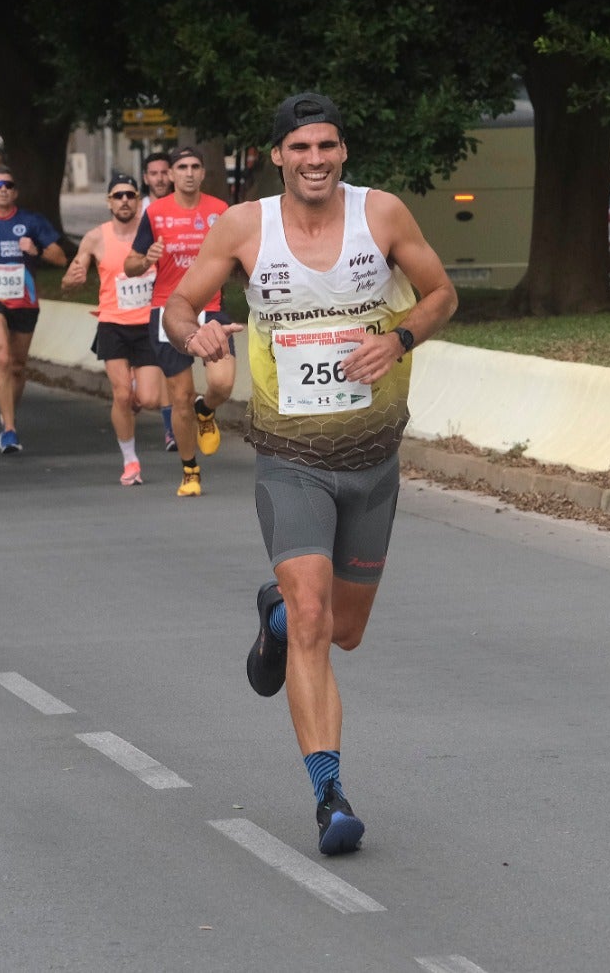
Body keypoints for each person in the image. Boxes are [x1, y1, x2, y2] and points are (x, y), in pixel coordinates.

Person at [164, 92, 457, 855]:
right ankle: (329, 795)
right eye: (301, 148)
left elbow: (441, 294)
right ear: (278, 157)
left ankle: (276, 618)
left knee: (344, 630)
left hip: (373, 458)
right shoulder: (245, 227)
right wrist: (194, 334)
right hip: (290, 459)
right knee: (318, 617)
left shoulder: (383, 215)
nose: (316, 159)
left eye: (327, 146)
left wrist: (397, 340)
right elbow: (179, 304)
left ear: (343, 151)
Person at [125, 146, 232, 497]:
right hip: (167, 309)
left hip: (211, 306)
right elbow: (131, 264)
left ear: (203, 173)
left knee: (222, 383)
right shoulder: (155, 213)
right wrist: (145, 261)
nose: (188, 172)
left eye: (195, 166)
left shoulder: (221, 211)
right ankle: (190, 470)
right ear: (170, 174)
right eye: (181, 167)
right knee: (181, 394)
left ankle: (208, 409)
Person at [0, 165, 69, 453]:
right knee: (2, 356)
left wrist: (36, 250)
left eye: (8, 184)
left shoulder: (32, 221)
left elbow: (61, 258)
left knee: (17, 366)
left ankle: (8, 414)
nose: (3, 189)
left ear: (15, 191)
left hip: (25, 298)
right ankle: (9, 429)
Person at [61, 173, 162, 484]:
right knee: (120, 395)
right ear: (109, 202)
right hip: (112, 324)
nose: (124, 201)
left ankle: (134, 388)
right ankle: (130, 461)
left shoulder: (153, 232)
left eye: (130, 195)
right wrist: (71, 281)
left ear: (138, 199)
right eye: (118, 196)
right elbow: (68, 282)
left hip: (146, 324)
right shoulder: (95, 237)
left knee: (149, 400)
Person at [140, 150, 178, 451]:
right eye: (154, 173)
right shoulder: (139, 209)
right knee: (146, 395)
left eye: (165, 172)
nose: (160, 178)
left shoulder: (182, 208)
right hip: (138, 298)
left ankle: (171, 429)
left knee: (169, 365)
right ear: (146, 178)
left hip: (168, 298)